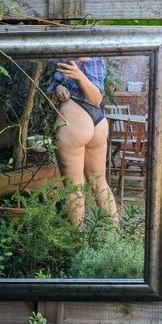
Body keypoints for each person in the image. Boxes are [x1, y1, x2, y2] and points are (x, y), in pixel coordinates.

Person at [47, 57, 118, 227]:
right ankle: (115, 237)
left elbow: (97, 97)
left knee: (74, 186)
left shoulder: (91, 56)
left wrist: (79, 76)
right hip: (97, 121)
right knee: (99, 182)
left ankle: (77, 240)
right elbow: (57, 82)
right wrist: (59, 87)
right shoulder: (72, 55)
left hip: (76, 118)